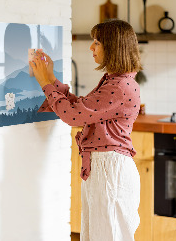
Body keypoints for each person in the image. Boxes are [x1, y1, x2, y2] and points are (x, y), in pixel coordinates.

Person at [30, 19, 142, 241]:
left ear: (113, 47)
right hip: (105, 168)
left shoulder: (119, 86)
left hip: (110, 170)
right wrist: (51, 78)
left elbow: (73, 116)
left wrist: (45, 83)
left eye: (97, 42)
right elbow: (81, 108)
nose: (91, 47)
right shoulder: (115, 81)